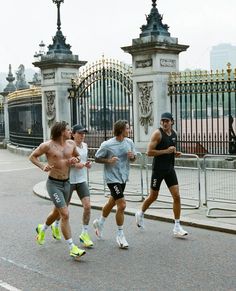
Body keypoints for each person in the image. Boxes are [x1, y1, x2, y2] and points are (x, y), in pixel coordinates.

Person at [29, 121, 86, 259]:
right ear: (61, 132)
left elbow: (78, 156)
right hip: (53, 184)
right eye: (67, 130)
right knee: (65, 214)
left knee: (57, 212)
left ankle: (42, 228)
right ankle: (72, 247)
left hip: (67, 183)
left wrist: (75, 159)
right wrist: (43, 166)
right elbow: (32, 157)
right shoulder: (47, 145)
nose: (70, 132)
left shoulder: (71, 144)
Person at [135, 112, 188, 237]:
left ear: (172, 122)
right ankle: (140, 213)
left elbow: (170, 149)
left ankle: (177, 226)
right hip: (158, 170)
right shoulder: (157, 134)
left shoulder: (174, 134)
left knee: (177, 196)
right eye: (163, 121)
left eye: (167, 121)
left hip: (170, 169)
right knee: (153, 196)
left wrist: (175, 153)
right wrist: (166, 151)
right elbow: (149, 152)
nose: (164, 123)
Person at [93, 120, 136, 249]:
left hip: (123, 177)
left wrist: (132, 156)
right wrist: (109, 160)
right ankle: (120, 234)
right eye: (128, 128)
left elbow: (134, 159)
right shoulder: (107, 145)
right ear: (121, 130)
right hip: (112, 178)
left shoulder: (129, 142)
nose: (129, 130)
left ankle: (100, 223)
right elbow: (96, 158)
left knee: (112, 202)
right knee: (122, 205)